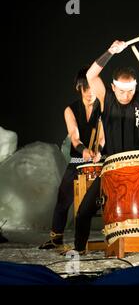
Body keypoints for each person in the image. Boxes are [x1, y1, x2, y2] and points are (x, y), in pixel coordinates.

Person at [72, 40, 139, 253]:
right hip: (113, 169)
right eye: (121, 91)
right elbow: (90, 76)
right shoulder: (107, 98)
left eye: (130, 91)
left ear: (135, 87)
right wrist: (110, 51)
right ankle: (79, 250)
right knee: (84, 211)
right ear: (113, 87)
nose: (126, 96)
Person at [39, 66, 104, 249]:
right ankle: (56, 237)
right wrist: (83, 150)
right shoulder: (71, 110)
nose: (90, 93)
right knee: (63, 199)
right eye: (86, 89)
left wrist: (98, 150)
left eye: (92, 88)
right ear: (79, 88)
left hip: (98, 162)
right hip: (77, 161)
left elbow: (102, 136)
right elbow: (74, 136)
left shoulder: (103, 108)